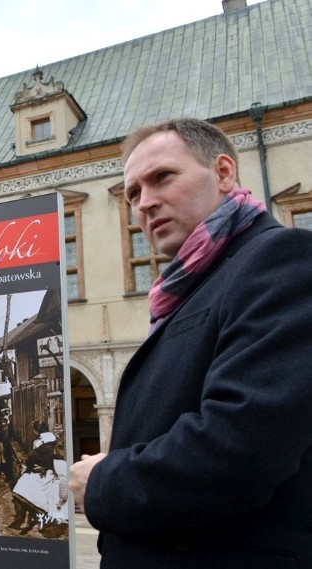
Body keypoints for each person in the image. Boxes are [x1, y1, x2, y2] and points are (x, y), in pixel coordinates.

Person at [69, 118, 312, 567]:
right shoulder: (189, 288)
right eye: (133, 194)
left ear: (223, 173)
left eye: (162, 177)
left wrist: (104, 480)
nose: (146, 203)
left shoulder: (280, 260)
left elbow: (240, 447)